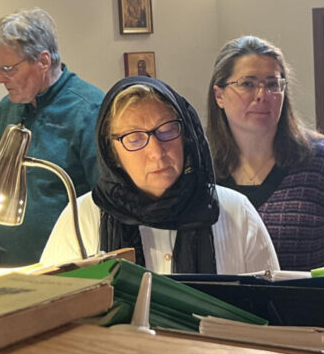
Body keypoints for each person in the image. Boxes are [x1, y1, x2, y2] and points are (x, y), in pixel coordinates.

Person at [42, 77, 279, 273]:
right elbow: (53, 311)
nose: (156, 151)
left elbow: (273, 311)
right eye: (134, 138)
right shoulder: (80, 219)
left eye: (167, 131)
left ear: (186, 136)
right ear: (112, 153)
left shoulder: (237, 213)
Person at [207, 35, 324, 270]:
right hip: (217, 306)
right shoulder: (200, 169)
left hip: (307, 305)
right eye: (248, 84)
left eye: (272, 84)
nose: (262, 95)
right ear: (219, 95)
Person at [0, 8, 103, 265]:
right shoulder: (8, 107)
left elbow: (104, 204)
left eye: (8, 68)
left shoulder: (90, 111)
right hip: (8, 264)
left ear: (43, 62)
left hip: (69, 268)